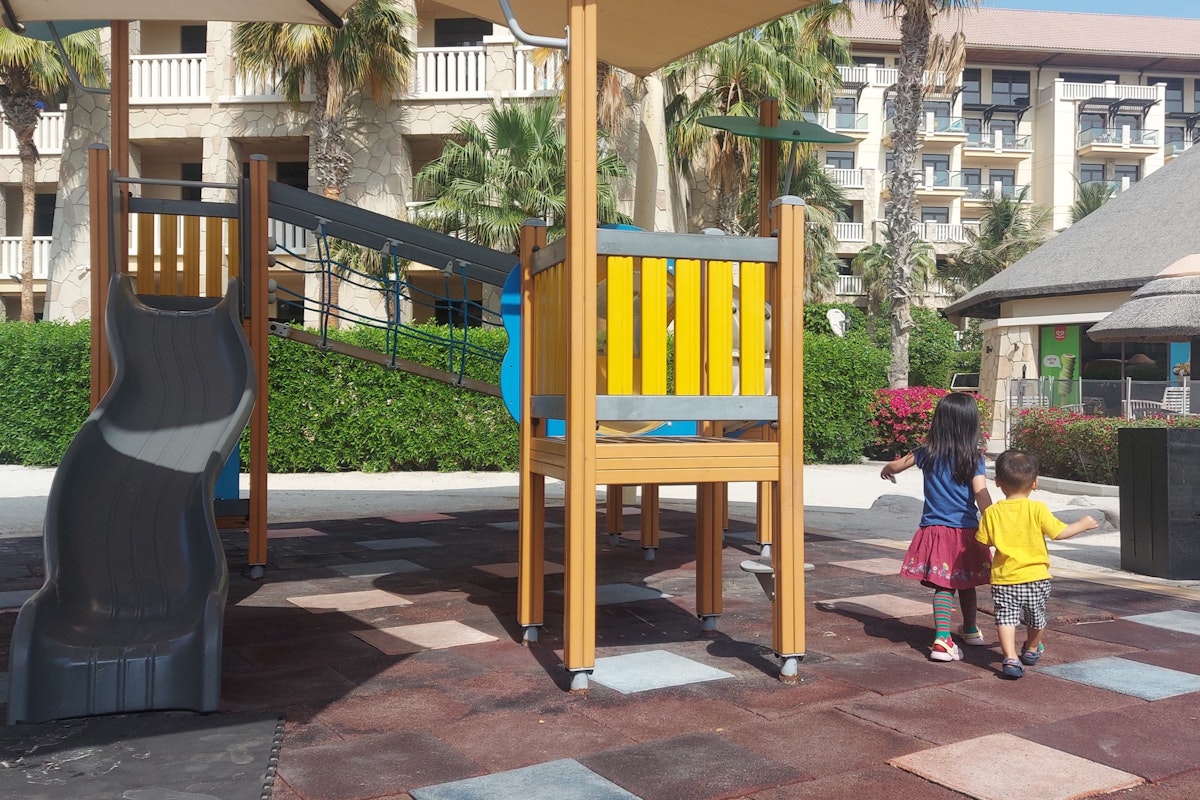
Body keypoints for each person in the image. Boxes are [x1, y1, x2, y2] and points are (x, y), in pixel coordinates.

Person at [881, 391, 993, 662]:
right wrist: (993, 518)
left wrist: (887, 469)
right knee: (966, 582)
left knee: (944, 584)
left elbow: (896, 465)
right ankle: (956, 635)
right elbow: (980, 492)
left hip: (936, 530)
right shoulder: (974, 457)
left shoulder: (925, 453)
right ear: (971, 424)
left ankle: (954, 634)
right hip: (967, 532)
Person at [976, 449, 1098, 679]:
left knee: (1006, 619)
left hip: (1005, 578)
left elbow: (984, 540)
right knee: (1036, 617)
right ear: (1035, 484)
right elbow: (1059, 532)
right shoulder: (1037, 508)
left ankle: (1010, 658)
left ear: (998, 482)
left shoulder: (992, 512)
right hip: (1036, 577)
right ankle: (1031, 649)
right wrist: (1083, 523)